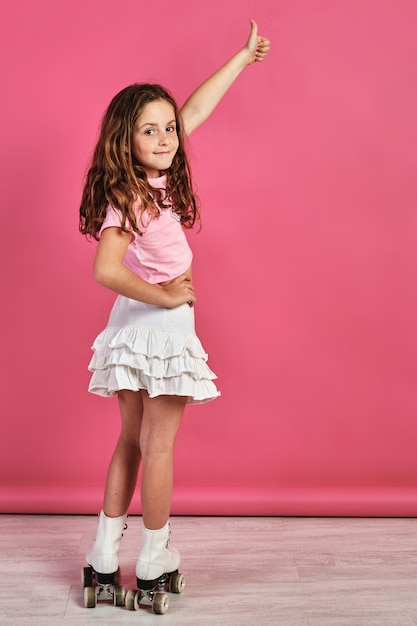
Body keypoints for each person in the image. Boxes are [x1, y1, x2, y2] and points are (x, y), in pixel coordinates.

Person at [79, 19, 270, 602]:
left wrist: (241, 58)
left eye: (168, 128)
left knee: (131, 442)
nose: (167, 137)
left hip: (132, 326)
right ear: (125, 141)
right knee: (157, 448)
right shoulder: (132, 194)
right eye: (151, 131)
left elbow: (195, 109)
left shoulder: (151, 176)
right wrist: (166, 293)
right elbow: (105, 269)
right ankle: (156, 561)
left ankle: (103, 558)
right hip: (157, 326)